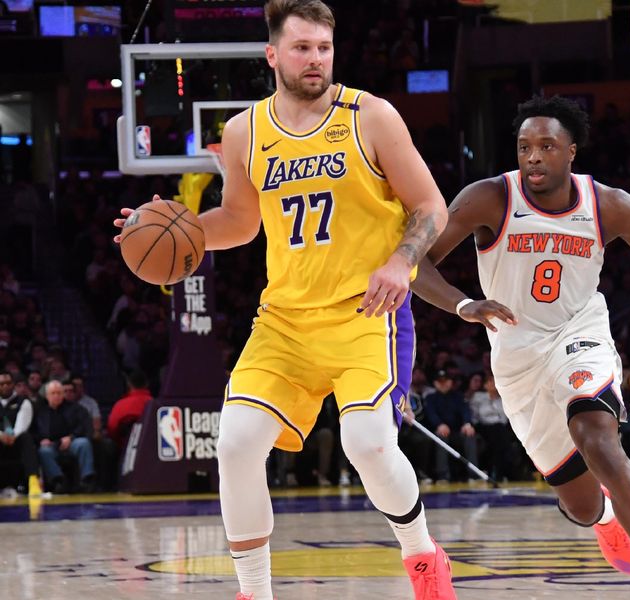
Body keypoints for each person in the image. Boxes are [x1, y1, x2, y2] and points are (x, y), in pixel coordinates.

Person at [113, 2, 453, 599]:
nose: (315, 59)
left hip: (363, 314)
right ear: (273, 55)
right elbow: (242, 223)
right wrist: (180, 229)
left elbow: (430, 206)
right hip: (285, 322)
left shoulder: (371, 116)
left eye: (323, 47)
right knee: (237, 443)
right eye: (301, 48)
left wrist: (402, 261)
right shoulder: (245, 131)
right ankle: (255, 591)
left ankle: (422, 552)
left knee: (368, 446)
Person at [411, 95, 630, 600]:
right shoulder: (489, 197)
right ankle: (604, 517)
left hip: (580, 334)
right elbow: (417, 263)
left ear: (571, 151)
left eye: (546, 145)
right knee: (578, 503)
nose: (533, 156)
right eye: (524, 146)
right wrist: (465, 305)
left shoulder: (610, 205)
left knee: (597, 436)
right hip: (516, 357)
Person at [34, 380, 95, 493]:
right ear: (47, 396)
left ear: (63, 395)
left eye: (59, 393)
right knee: (44, 451)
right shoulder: (39, 411)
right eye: (53, 393)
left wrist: (71, 437)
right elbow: (33, 431)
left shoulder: (76, 408)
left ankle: (87, 480)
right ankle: (59, 481)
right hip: (51, 445)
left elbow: (84, 427)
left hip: (71, 442)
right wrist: (41, 440)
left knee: (83, 443)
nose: (56, 396)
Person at [0, 370, 41, 495]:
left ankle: (33, 482)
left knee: (26, 437)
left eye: (8, 383)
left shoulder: (24, 401)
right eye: (1, 384)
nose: (5, 386)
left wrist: (12, 436)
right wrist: (1, 436)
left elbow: (22, 424)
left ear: (13, 384)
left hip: (17, 443)